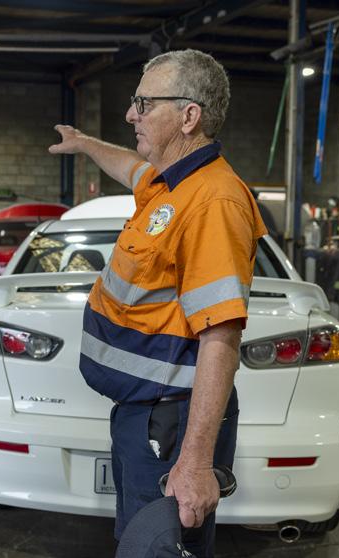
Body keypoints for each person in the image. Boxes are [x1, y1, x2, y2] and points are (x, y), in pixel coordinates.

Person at [49, 49, 266, 557]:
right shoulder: (171, 184)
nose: (131, 114)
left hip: (171, 426)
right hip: (145, 417)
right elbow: (128, 167)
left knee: (159, 548)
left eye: (144, 104)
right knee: (140, 541)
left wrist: (195, 462)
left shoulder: (213, 202)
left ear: (189, 116)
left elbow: (220, 337)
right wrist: (84, 144)